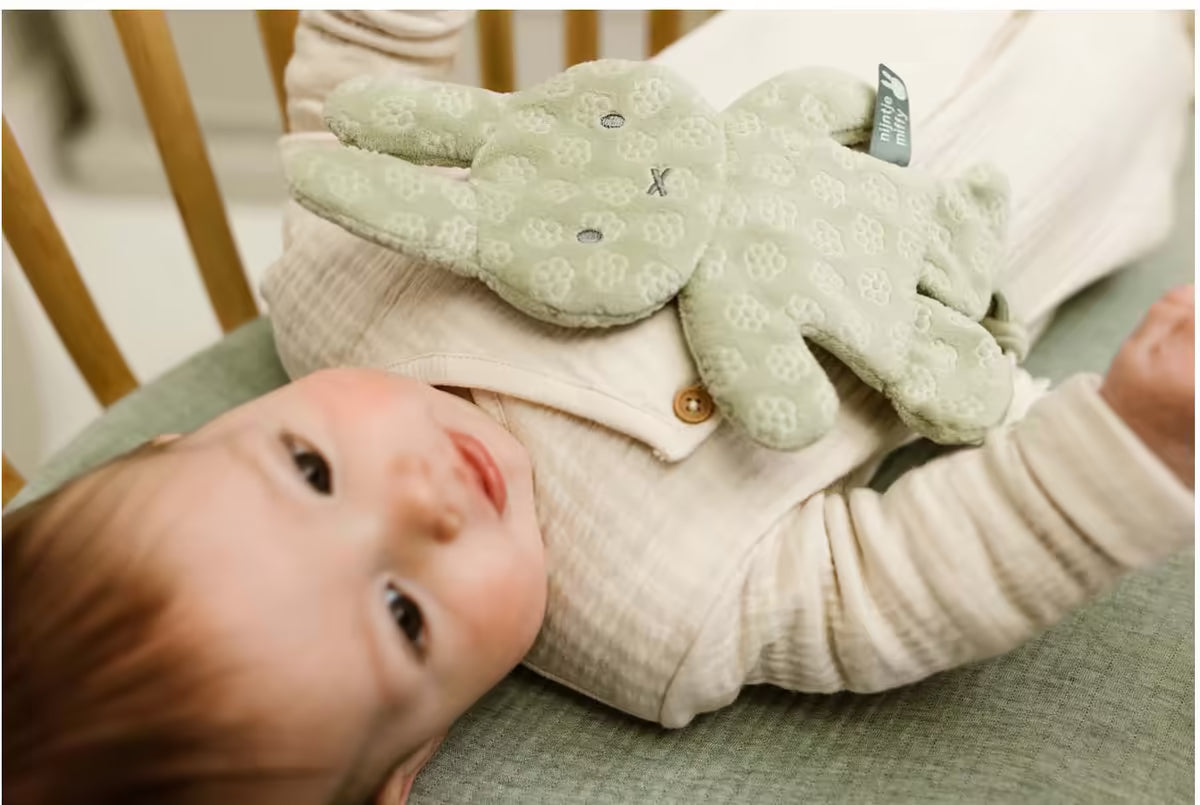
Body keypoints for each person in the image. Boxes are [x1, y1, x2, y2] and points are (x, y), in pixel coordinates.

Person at [3, 9, 1194, 805]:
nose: (419, 503)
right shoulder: (659, 618)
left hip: (833, 38)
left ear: (195, 433)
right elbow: (902, 587)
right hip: (1024, 185)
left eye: (313, 473)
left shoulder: (339, 273)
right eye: (403, 614)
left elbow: (355, 95)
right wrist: (1128, 447)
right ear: (407, 761)